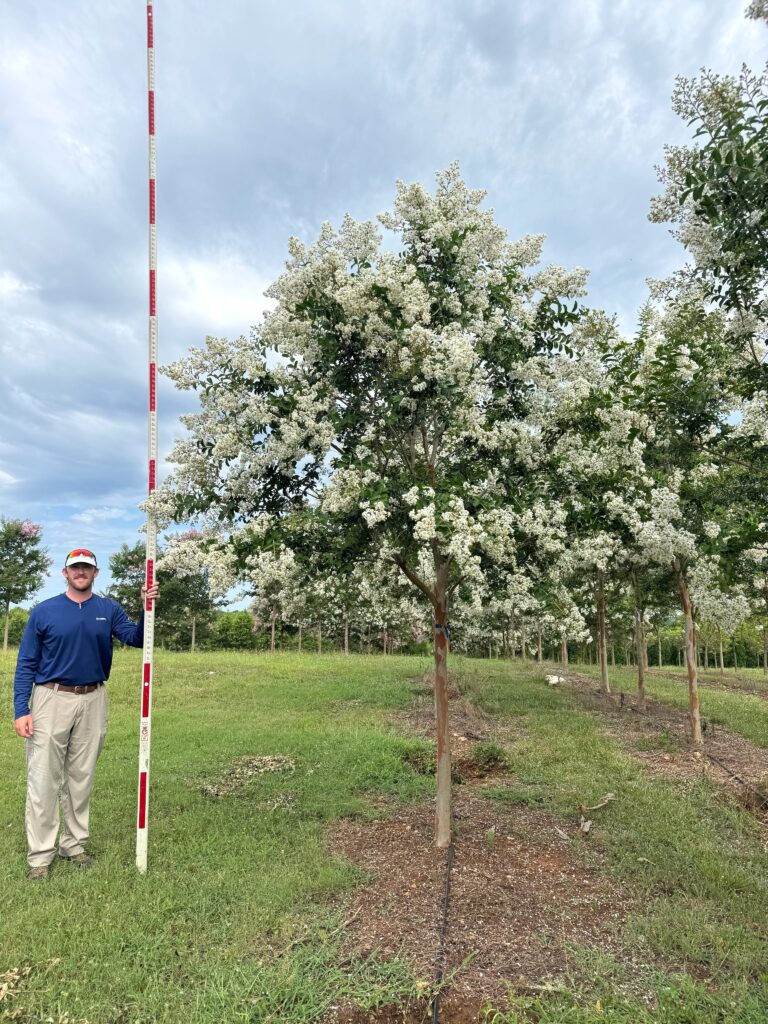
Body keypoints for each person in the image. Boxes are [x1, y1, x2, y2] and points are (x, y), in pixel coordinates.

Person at [13, 547, 159, 881]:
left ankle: (73, 844)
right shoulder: (44, 611)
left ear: (95, 573)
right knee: (44, 777)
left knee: (81, 777)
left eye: (87, 568)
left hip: (93, 698)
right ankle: (40, 856)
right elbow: (26, 663)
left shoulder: (108, 609)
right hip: (51, 697)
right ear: (65, 573)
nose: (81, 572)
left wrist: (145, 606)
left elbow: (136, 638)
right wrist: (22, 709)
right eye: (75, 567)